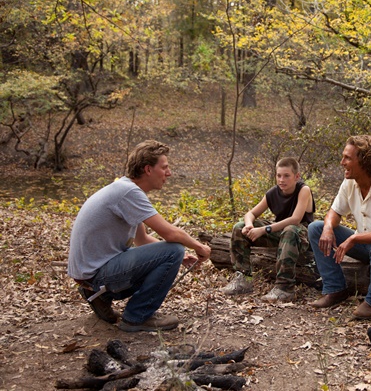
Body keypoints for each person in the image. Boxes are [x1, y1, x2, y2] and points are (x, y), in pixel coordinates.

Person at [67, 140, 211, 332]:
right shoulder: (129, 192)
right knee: (174, 248)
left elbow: (142, 240)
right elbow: (170, 233)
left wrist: (181, 257)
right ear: (148, 170)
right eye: (165, 167)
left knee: (175, 252)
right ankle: (137, 317)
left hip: (91, 275)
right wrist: (199, 247)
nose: (169, 173)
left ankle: (100, 297)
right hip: (96, 274)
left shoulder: (124, 189)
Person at [308, 135, 371, 319]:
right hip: (365, 246)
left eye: (348, 158)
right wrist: (328, 228)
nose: (342, 162)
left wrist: (354, 238)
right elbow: (335, 212)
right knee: (316, 228)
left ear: (364, 161)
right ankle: (335, 289)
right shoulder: (349, 183)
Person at [222, 157, 315, 302]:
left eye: (286, 176)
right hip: (279, 233)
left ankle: (284, 288)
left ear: (297, 176)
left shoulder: (304, 190)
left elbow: (296, 219)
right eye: (278, 175)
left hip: (300, 234)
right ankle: (243, 278)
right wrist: (249, 225)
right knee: (239, 227)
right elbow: (250, 214)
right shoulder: (273, 192)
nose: (281, 180)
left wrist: (264, 230)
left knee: (290, 229)